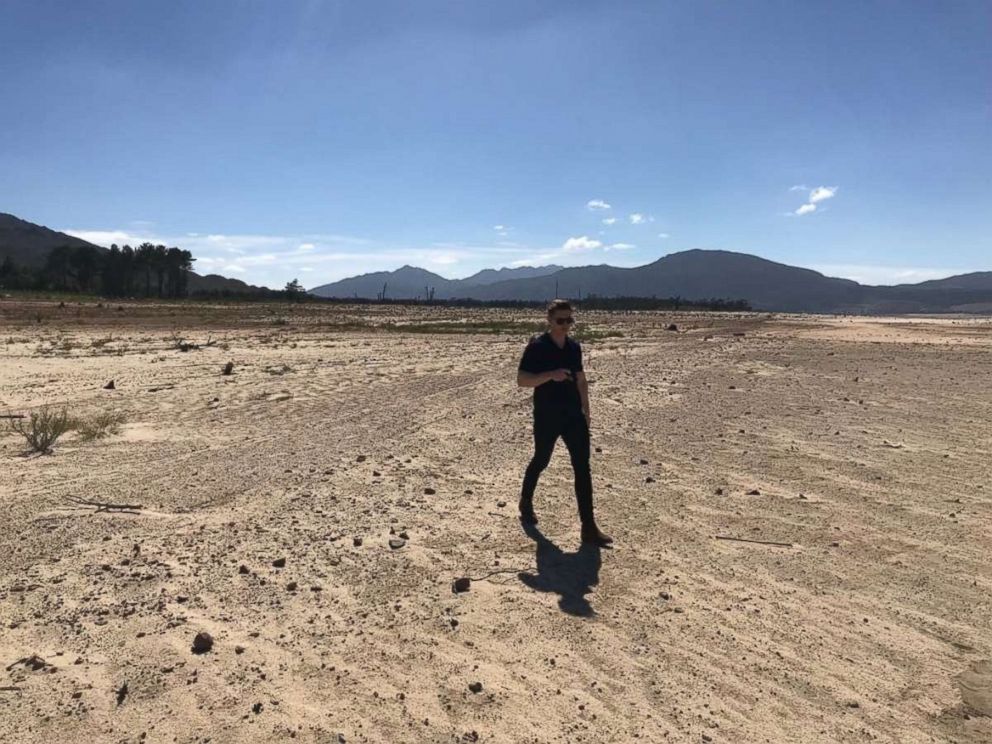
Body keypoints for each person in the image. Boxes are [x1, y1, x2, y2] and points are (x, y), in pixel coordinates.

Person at [516, 299, 613, 546]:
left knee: (583, 468)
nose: (566, 325)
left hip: (573, 416)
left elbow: (581, 380)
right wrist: (551, 375)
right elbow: (522, 380)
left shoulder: (573, 347)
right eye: (560, 320)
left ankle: (588, 527)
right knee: (542, 459)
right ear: (549, 320)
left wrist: (586, 412)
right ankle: (526, 502)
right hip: (548, 415)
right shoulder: (537, 347)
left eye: (570, 320)